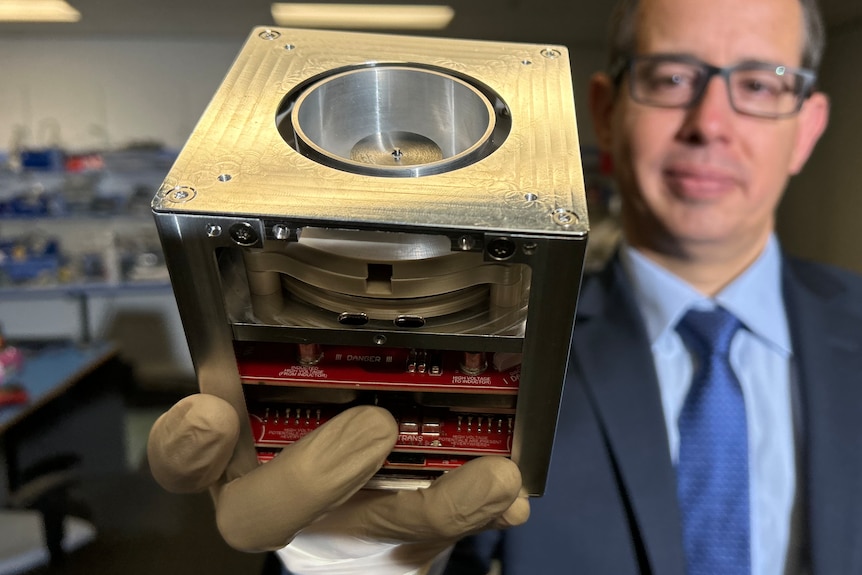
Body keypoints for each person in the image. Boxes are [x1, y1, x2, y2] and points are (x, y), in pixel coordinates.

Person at [148, 0, 862, 572]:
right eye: (672, 77)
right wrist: (357, 561)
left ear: (809, 127)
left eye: (763, 85)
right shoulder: (498, 336)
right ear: (606, 112)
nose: (710, 124)